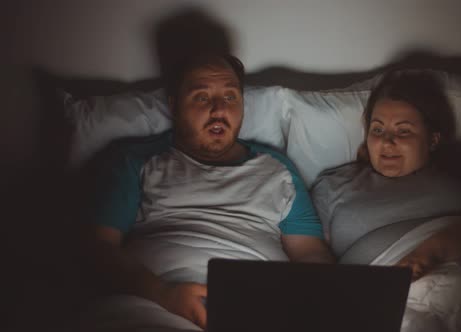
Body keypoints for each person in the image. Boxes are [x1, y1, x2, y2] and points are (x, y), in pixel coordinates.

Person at [81, 53, 334, 330]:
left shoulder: (278, 169)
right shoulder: (135, 160)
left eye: (230, 98)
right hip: (154, 307)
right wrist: (163, 293)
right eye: (201, 97)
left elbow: (310, 253)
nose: (218, 110)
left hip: (258, 312)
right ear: (174, 106)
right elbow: (98, 248)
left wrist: (310, 302)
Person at [311, 70, 461, 280]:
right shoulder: (332, 184)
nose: (387, 142)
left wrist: (427, 255)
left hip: (459, 278)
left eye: (404, 131)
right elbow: (310, 260)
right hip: (370, 295)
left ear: (433, 140)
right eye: (378, 130)